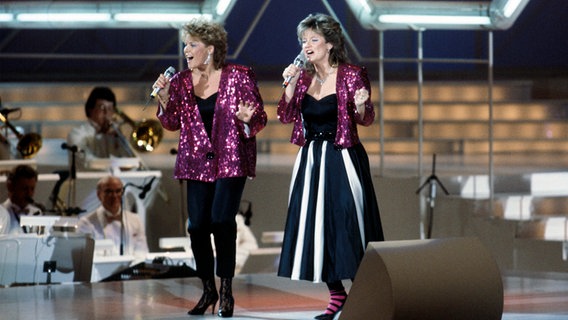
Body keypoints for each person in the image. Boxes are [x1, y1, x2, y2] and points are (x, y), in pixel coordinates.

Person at [153, 18, 267, 318]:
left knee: (220, 220)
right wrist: (164, 101)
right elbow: (171, 123)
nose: (186, 50)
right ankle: (208, 290)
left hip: (231, 160)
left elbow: (259, 120)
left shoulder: (239, 77)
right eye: (184, 45)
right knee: (197, 225)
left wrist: (246, 120)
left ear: (211, 48)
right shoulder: (178, 82)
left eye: (193, 44)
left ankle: (227, 290)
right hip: (195, 163)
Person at [276, 13, 385, 320]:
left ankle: (368, 292)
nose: (306, 46)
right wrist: (291, 83)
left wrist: (362, 104)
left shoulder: (351, 75)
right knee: (315, 227)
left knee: (348, 224)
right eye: (303, 40)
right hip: (311, 159)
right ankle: (337, 294)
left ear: (330, 43)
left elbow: (365, 118)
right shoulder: (303, 77)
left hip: (342, 157)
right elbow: (285, 115)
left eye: (313, 39)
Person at [76, 176, 148, 258]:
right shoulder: (85, 223)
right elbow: (85, 256)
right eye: (108, 191)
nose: (114, 196)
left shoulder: (135, 219)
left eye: (118, 191)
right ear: (99, 194)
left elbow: (142, 252)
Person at [67, 86, 134, 170]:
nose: (106, 113)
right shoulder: (77, 133)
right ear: (90, 109)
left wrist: (120, 139)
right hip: (86, 182)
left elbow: (131, 163)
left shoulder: (114, 135)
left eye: (110, 109)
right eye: (102, 108)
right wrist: (116, 164)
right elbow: (87, 162)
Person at [0, 164, 44, 235]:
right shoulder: (1, 213)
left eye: (32, 189)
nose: (29, 194)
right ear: (10, 187)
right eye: (24, 189)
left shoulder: (37, 213)